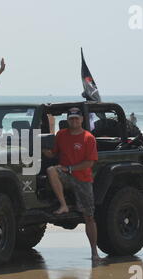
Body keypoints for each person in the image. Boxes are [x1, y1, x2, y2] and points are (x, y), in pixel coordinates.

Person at [42, 107, 101, 261]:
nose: (74, 121)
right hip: (65, 175)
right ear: (67, 120)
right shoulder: (61, 135)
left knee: (89, 216)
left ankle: (94, 252)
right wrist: (40, 148)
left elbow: (89, 163)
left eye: (76, 118)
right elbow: (53, 153)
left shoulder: (88, 138)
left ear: (81, 120)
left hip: (82, 177)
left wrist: (70, 168)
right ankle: (64, 205)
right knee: (51, 170)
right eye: (71, 119)